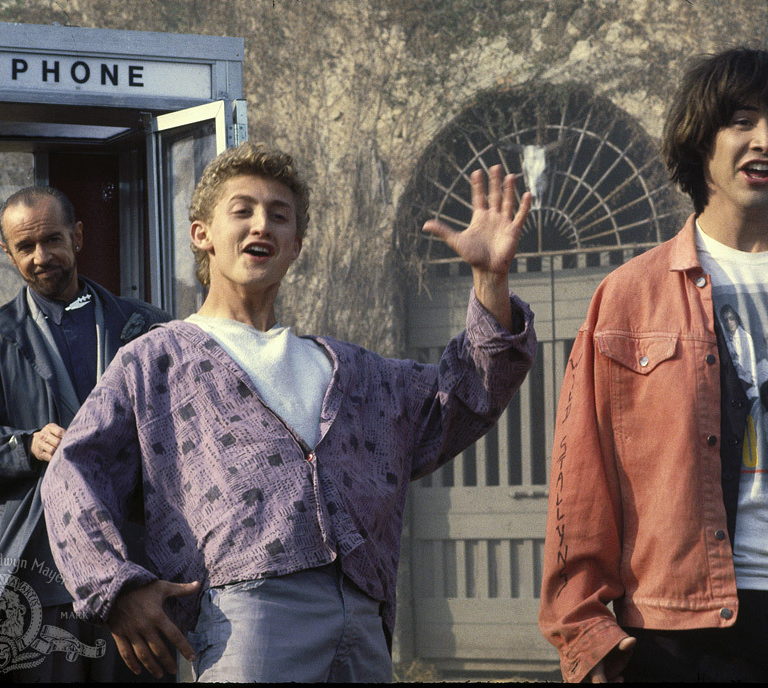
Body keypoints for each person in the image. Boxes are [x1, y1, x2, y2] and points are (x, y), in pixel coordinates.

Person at [40, 142, 536, 682]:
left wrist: (491, 282)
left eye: (280, 216)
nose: (262, 226)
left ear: (296, 244)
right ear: (201, 234)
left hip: (364, 616)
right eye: (243, 211)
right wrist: (115, 588)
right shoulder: (157, 360)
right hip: (246, 618)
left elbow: (463, 399)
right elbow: (71, 472)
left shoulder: (349, 368)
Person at [539, 48, 768, 683]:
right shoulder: (628, 296)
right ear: (699, 141)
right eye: (742, 120)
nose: (766, 140)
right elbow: (581, 476)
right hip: (679, 637)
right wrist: (585, 630)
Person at [0, 186, 171, 681]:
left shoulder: (147, 328)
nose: (42, 258)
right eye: (25, 247)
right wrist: (23, 446)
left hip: (134, 573)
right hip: (37, 576)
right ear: (6, 252)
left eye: (53, 240)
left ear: (78, 236)